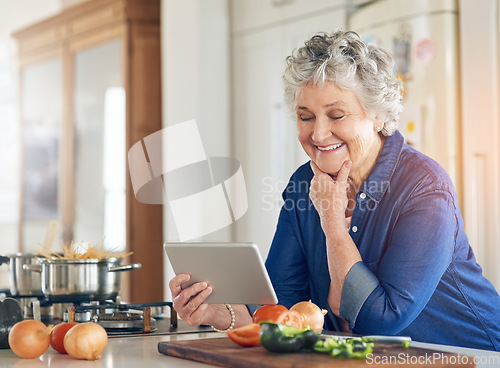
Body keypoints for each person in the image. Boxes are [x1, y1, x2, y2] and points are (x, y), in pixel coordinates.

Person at [169, 30, 500, 351]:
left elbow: (382, 320)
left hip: (472, 357)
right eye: (306, 117)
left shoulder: (425, 187)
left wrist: (333, 225)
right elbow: (282, 308)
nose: (319, 133)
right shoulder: (304, 184)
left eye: (336, 115)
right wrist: (223, 313)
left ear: (378, 116)